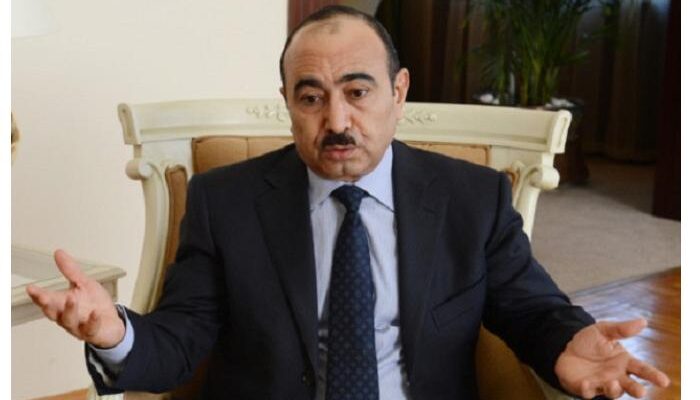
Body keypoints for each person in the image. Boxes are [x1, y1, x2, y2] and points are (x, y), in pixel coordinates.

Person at [27, 5, 670, 400]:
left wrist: (567, 344)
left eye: (358, 93)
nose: (336, 121)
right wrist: (114, 333)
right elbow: (181, 338)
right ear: (287, 103)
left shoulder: (470, 198)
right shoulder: (227, 202)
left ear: (399, 91)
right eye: (311, 98)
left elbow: (529, 308)